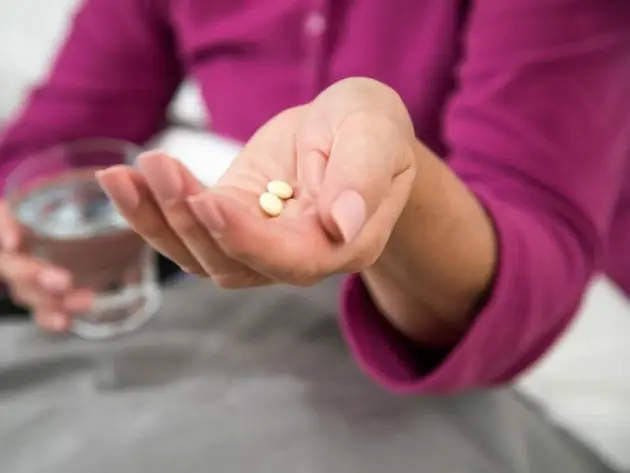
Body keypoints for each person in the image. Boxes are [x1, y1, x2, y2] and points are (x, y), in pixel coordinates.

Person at [0, 0, 628, 395]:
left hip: (479, 295)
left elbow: (533, 272)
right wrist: (14, 239)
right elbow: (60, 134)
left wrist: (402, 188)